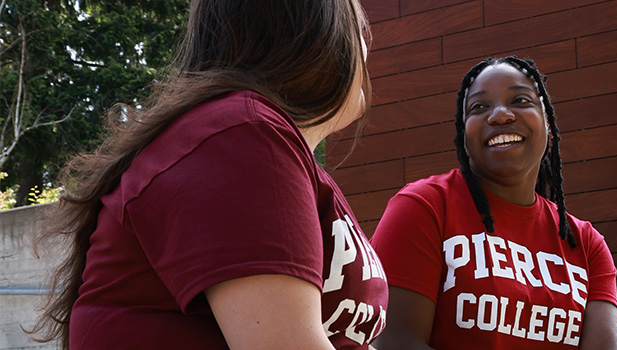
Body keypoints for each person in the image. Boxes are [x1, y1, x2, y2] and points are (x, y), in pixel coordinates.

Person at [30, 1, 388, 349]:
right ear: (317, 30)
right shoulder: (241, 134)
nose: (367, 51)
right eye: (360, 30)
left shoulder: (262, 145)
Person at [369, 56, 617, 350]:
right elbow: (396, 343)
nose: (500, 115)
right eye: (479, 107)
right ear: (463, 134)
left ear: (548, 123)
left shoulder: (586, 245)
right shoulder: (424, 207)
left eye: (520, 100)